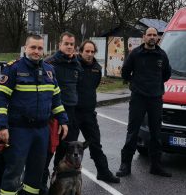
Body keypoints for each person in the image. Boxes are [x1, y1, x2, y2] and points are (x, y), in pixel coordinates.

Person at [0, 34, 69, 195]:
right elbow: (1, 100)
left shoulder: (50, 71)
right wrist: (2, 127)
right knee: (14, 171)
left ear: (43, 50)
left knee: (36, 172)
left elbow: (56, 99)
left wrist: (63, 120)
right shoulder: (13, 69)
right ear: (25, 48)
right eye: (33, 47)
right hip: (19, 130)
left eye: (39, 48)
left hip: (41, 130)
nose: (36, 51)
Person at [117, 27, 172, 178]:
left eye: (155, 35)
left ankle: (156, 165)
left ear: (158, 38)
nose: (152, 37)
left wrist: (156, 85)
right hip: (138, 98)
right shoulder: (135, 54)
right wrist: (134, 84)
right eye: (149, 35)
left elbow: (167, 74)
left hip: (155, 98)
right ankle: (125, 165)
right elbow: (125, 72)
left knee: (156, 133)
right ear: (144, 37)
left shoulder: (162, 55)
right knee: (132, 132)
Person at [74, 40, 120, 183]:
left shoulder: (97, 69)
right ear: (80, 52)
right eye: (86, 51)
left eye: (92, 51)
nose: (89, 54)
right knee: (68, 147)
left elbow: (94, 86)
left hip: (89, 113)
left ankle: (103, 172)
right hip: (73, 113)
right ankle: (62, 177)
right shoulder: (73, 65)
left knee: (95, 144)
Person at [42, 32, 82, 195]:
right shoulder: (49, 63)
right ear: (60, 44)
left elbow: (78, 85)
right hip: (53, 115)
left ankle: (58, 183)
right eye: (66, 43)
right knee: (48, 151)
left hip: (71, 112)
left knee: (65, 153)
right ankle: (41, 186)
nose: (69, 47)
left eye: (72, 44)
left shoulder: (76, 63)